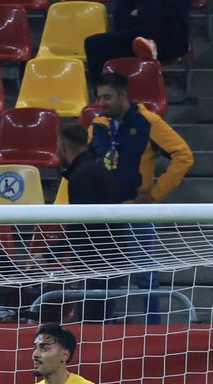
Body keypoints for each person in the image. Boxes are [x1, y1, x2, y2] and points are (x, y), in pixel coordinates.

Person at [89, 73, 192, 323]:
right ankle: (100, 327)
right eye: (99, 97)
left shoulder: (148, 122)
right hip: (100, 213)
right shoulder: (98, 127)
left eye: (107, 97)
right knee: (99, 275)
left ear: (123, 96)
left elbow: (183, 155)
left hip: (135, 213)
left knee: (145, 275)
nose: (101, 103)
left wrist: (155, 195)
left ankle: (153, 328)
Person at [57, 123, 132, 322]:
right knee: (97, 321)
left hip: (101, 263)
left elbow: (80, 225)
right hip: (108, 260)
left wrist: (49, 255)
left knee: (92, 325)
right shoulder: (95, 169)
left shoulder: (82, 175)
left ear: (63, 145)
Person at [84, 0, 190, 82]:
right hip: (136, 37)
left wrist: (140, 13)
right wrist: (143, 14)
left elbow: (178, 16)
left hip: (169, 40)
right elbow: (120, 20)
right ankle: (104, 94)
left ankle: (149, 44)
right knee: (93, 43)